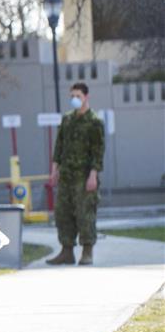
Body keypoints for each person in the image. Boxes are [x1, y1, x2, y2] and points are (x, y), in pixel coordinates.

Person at [46, 82, 105, 266]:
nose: (75, 100)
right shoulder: (67, 119)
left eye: (78, 96)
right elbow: (59, 145)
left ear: (86, 97)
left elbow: (98, 151)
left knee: (85, 214)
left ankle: (87, 252)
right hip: (66, 176)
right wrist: (55, 170)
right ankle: (66, 251)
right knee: (63, 213)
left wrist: (93, 175)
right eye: (72, 96)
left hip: (84, 177)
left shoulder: (94, 121)